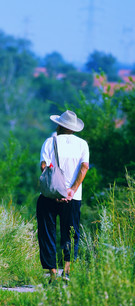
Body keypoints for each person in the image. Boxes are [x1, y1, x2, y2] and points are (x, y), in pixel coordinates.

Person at [36, 110, 89, 283]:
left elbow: (44, 167)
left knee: (47, 233)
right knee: (71, 233)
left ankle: (52, 273)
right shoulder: (82, 144)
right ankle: (67, 272)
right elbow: (84, 167)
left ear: (60, 125)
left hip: (50, 195)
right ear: (73, 128)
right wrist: (71, 189)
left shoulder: (50, 142)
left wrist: (57, 189)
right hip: (73, 197)